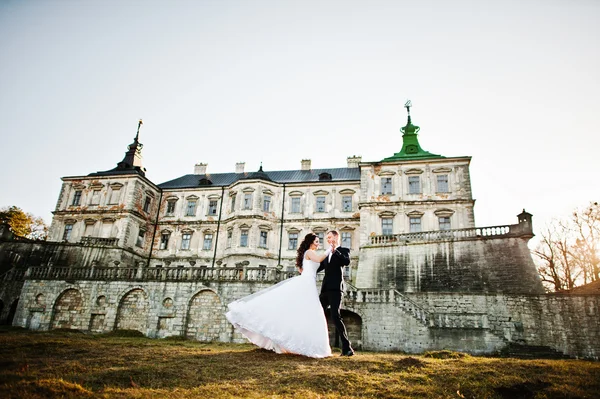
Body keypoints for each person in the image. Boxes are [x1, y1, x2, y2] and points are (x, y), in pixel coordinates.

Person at [225, 233, 332, 358]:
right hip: (307, 283)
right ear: (311, 242)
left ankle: (298, 343)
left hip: (309, 283)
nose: (318, 244)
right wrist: (330, 249)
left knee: (305, 312)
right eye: (317, 241)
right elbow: (319, 260)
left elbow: (306, 269)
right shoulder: (309, 252)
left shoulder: (308, 254)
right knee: (310, 311)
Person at [318, 230, 354, 356]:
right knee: (317, 314)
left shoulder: (343, 250)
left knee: (335, 316)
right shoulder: (327, 254)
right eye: (327, 238)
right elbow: (318, 267)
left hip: (335, 289)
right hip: (324, 290)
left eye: (330, 237)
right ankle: (316, 344)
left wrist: (336, 252)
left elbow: (346, 262)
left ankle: (347, 348)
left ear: (336, 237)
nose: (328, 240)